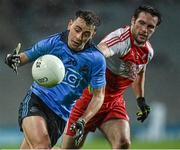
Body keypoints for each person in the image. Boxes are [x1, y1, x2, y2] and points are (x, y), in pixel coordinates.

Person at [61, 5, 162, 149]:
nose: (144, 29)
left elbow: (139, 72)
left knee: (123, 143)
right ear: (133, 20)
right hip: (88, 102)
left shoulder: (148, 51)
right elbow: (99, 53)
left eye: (150, 26)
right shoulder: (120, 39)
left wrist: (141, 100)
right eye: (141, 23)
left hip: (113, 104)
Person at [5, 10, 106, 149]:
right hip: (37, 100)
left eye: (86, 34)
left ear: (92, 35)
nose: (78, 37)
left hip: (60, 116)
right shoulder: (54, 42)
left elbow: (98, 96)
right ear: (70, 25)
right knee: (42, 145)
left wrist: (83, 120)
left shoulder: (96, 59)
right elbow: (26, 56)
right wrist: (13, 59)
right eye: (77, 29)